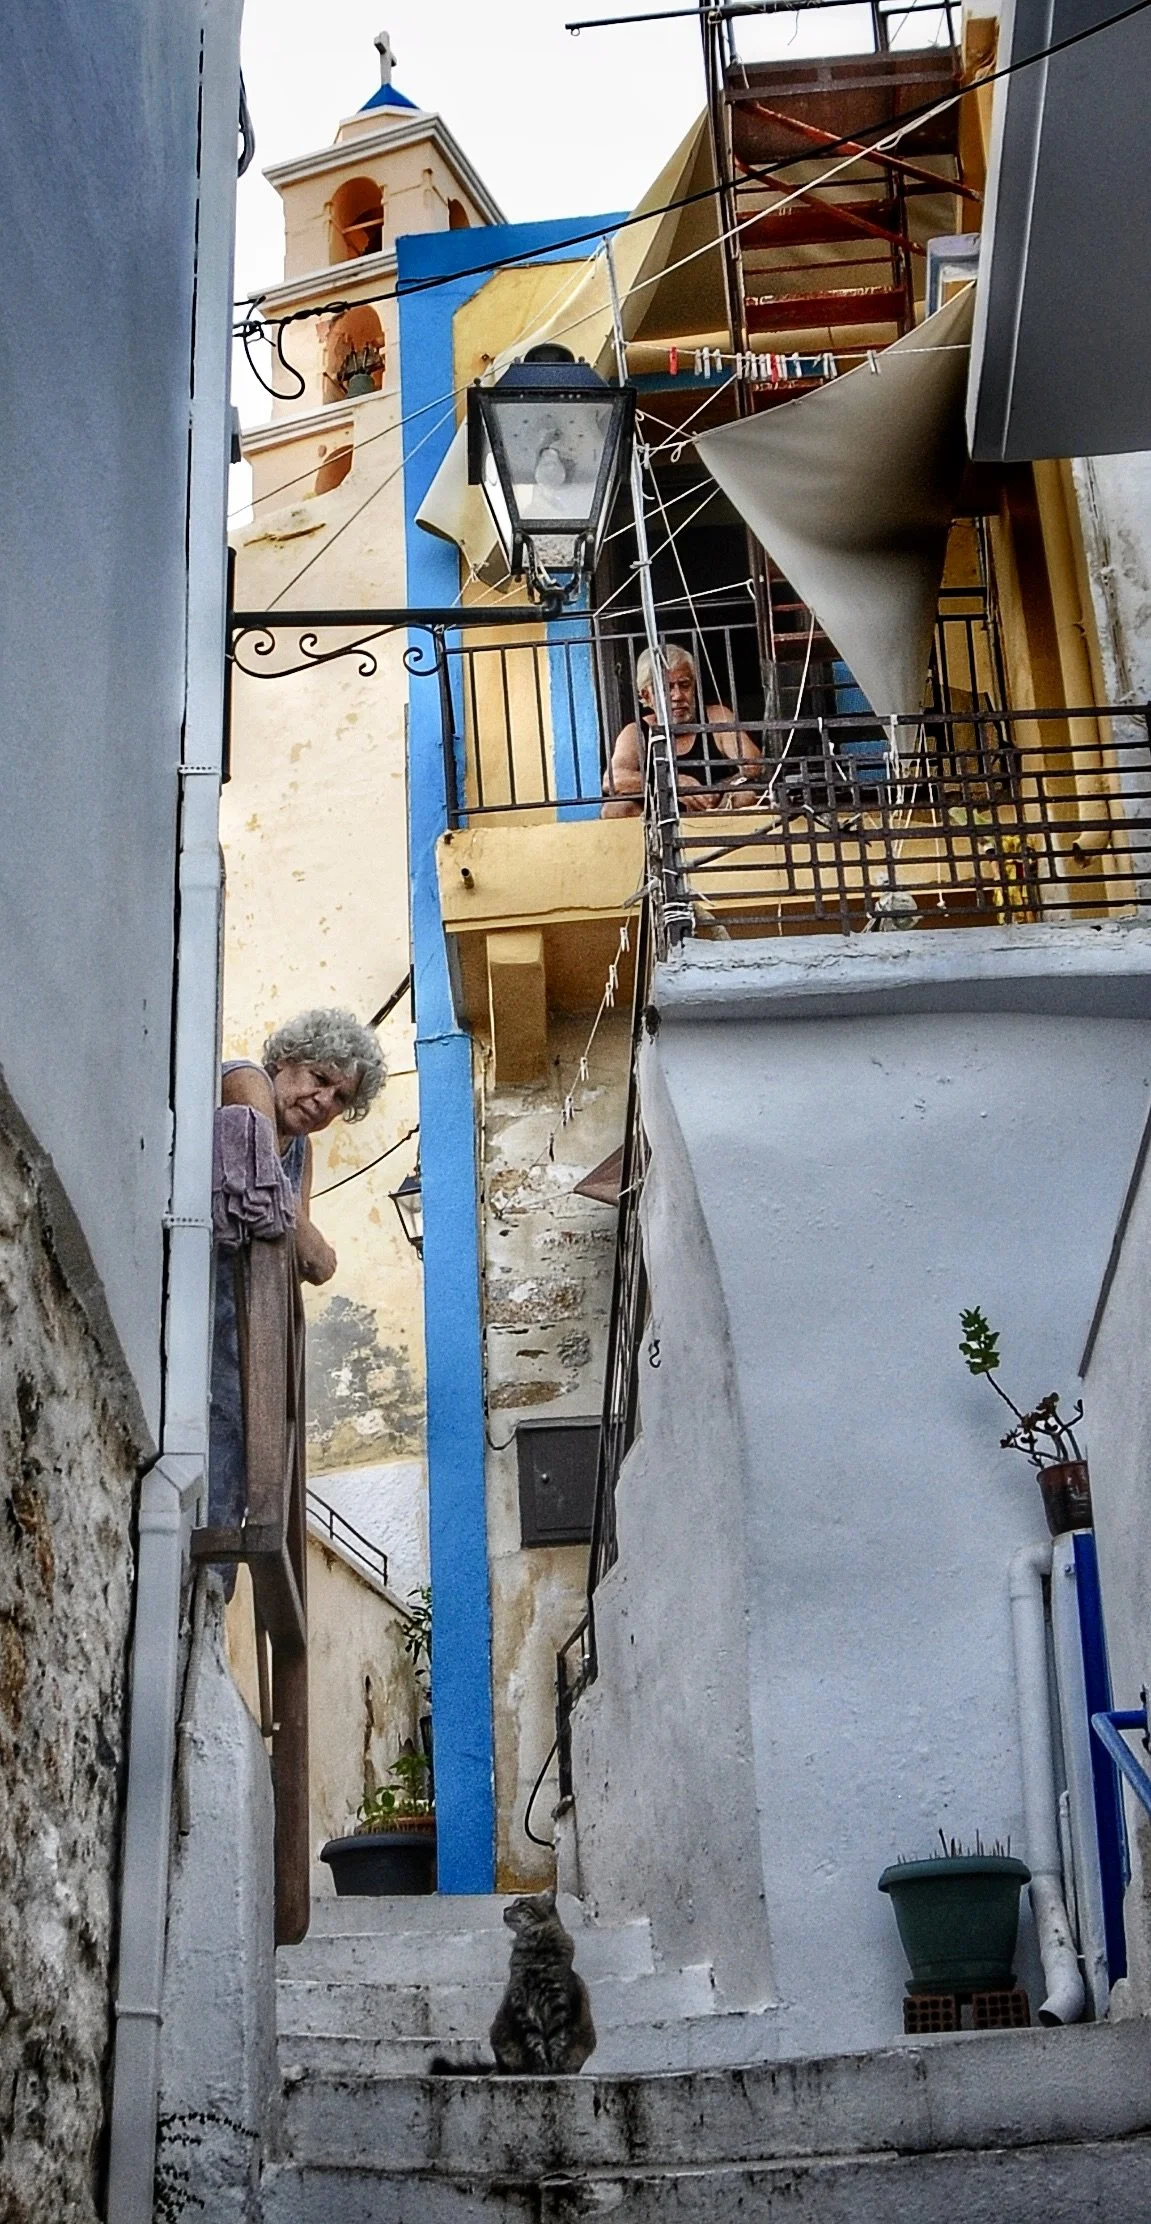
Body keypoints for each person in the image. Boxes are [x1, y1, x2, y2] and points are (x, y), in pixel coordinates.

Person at [208, 1007, 385, 1543]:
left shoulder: (301, 1150)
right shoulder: (247, 1081)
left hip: (237, 1329)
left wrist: (311, 1246)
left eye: (340, 1098)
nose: (324, 1101)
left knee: (234, 1457)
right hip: (192, 1308)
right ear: (287, 1060)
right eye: (319, 1078)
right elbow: (275, 1200)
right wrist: (314, 1246)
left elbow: (301, 1253)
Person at [601, 643, 762, 817]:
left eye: (684, 685)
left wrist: (717, 789)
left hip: (713, 813)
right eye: (667, 688)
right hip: (657, 820)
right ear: (647, 695)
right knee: (615, 809)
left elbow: (753, 764)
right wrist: (672, 783)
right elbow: (612, 780)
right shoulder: (636, 732)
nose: (678, 696)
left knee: (745, 796)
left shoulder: (716, 717)